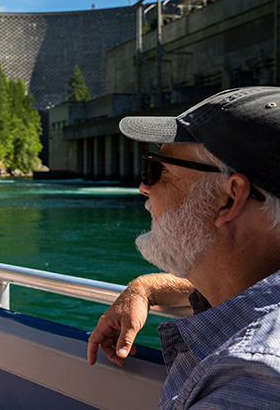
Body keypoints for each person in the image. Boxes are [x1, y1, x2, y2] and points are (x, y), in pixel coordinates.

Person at [86, 86, 280, 408]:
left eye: (157, 168)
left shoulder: (252, 381)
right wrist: (147, 287)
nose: (144, 187)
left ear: (228, 198)